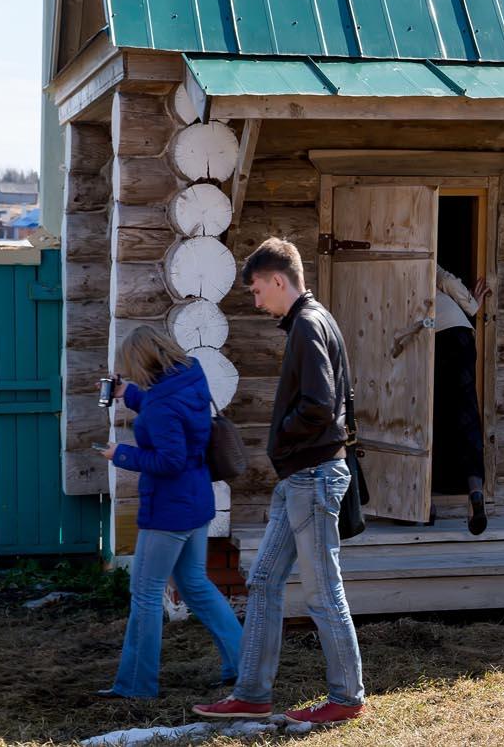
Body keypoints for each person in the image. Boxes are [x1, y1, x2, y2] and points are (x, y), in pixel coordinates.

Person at [194, 238, 365, 726]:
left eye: (255, 290)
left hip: (311, 475)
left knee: (323, 591)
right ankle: (251, 693)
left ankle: (346, 698)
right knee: (265, 579)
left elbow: (320, 403)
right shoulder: (314, 320)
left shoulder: (308, 325)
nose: (256, 300)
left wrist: (283, 440)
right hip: (302, 477)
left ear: (278, 279)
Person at [98, 326, 243, 699]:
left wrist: (123, 455)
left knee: (145, 594)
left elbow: (169, 457)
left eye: (131, 370)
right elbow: (169, 412)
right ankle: (245, 664)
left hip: (168, 510)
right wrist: (128, 394)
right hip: (197, 500)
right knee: (196, 585)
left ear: (143, 361)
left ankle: (135, 685)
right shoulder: (191, 375)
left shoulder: (162, 404)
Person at [431, 266, 490, 534]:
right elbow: (448, 281)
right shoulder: (423, 251)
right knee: (465, 414)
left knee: (429, 416)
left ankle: (422, 503)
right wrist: (472, 305)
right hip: (458, 333)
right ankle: (475, 490)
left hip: (426, 337)